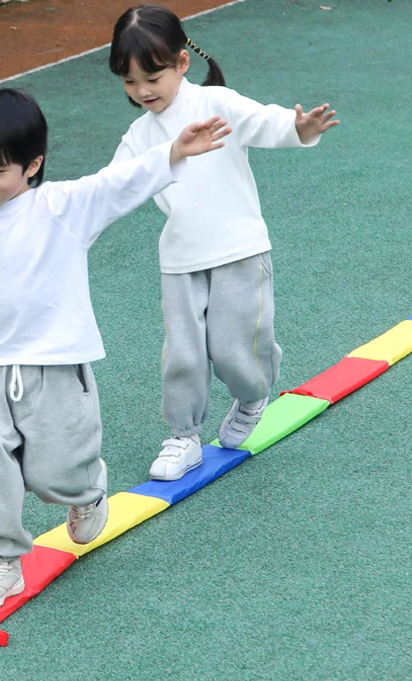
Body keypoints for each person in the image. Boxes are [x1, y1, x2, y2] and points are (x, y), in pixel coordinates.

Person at [0, 87, 228, 609]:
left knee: (56, 472)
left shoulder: (64, 207)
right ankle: (1, 563)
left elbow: (115, 185)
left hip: (55, 365)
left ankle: (87, 490)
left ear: (32, 165)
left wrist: (172, 153)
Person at [108, 4, 339, 481]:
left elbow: (265, 121)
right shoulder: (138, 135)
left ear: (181, 63)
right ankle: (183, 435)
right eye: (129, 81)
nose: (142, 91)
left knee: (237, 349)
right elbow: (113, 187)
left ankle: (254, 390)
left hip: (239, 249)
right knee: (184, 354)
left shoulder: (218, 104)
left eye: (152, 76)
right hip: (179, 258)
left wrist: (299, 128)